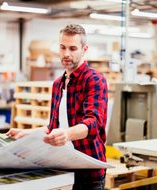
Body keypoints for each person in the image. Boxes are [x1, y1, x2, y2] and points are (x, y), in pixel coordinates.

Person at [7, 24, 108, 190]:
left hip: (88, 172)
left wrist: (67, 134)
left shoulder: (94, 79)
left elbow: (94, 124)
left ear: (84, 49)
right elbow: (55, 127)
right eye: (62, 47)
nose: (66, 54)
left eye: (73, 48)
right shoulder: (57, 85)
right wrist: (28, 133)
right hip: (62, 169)